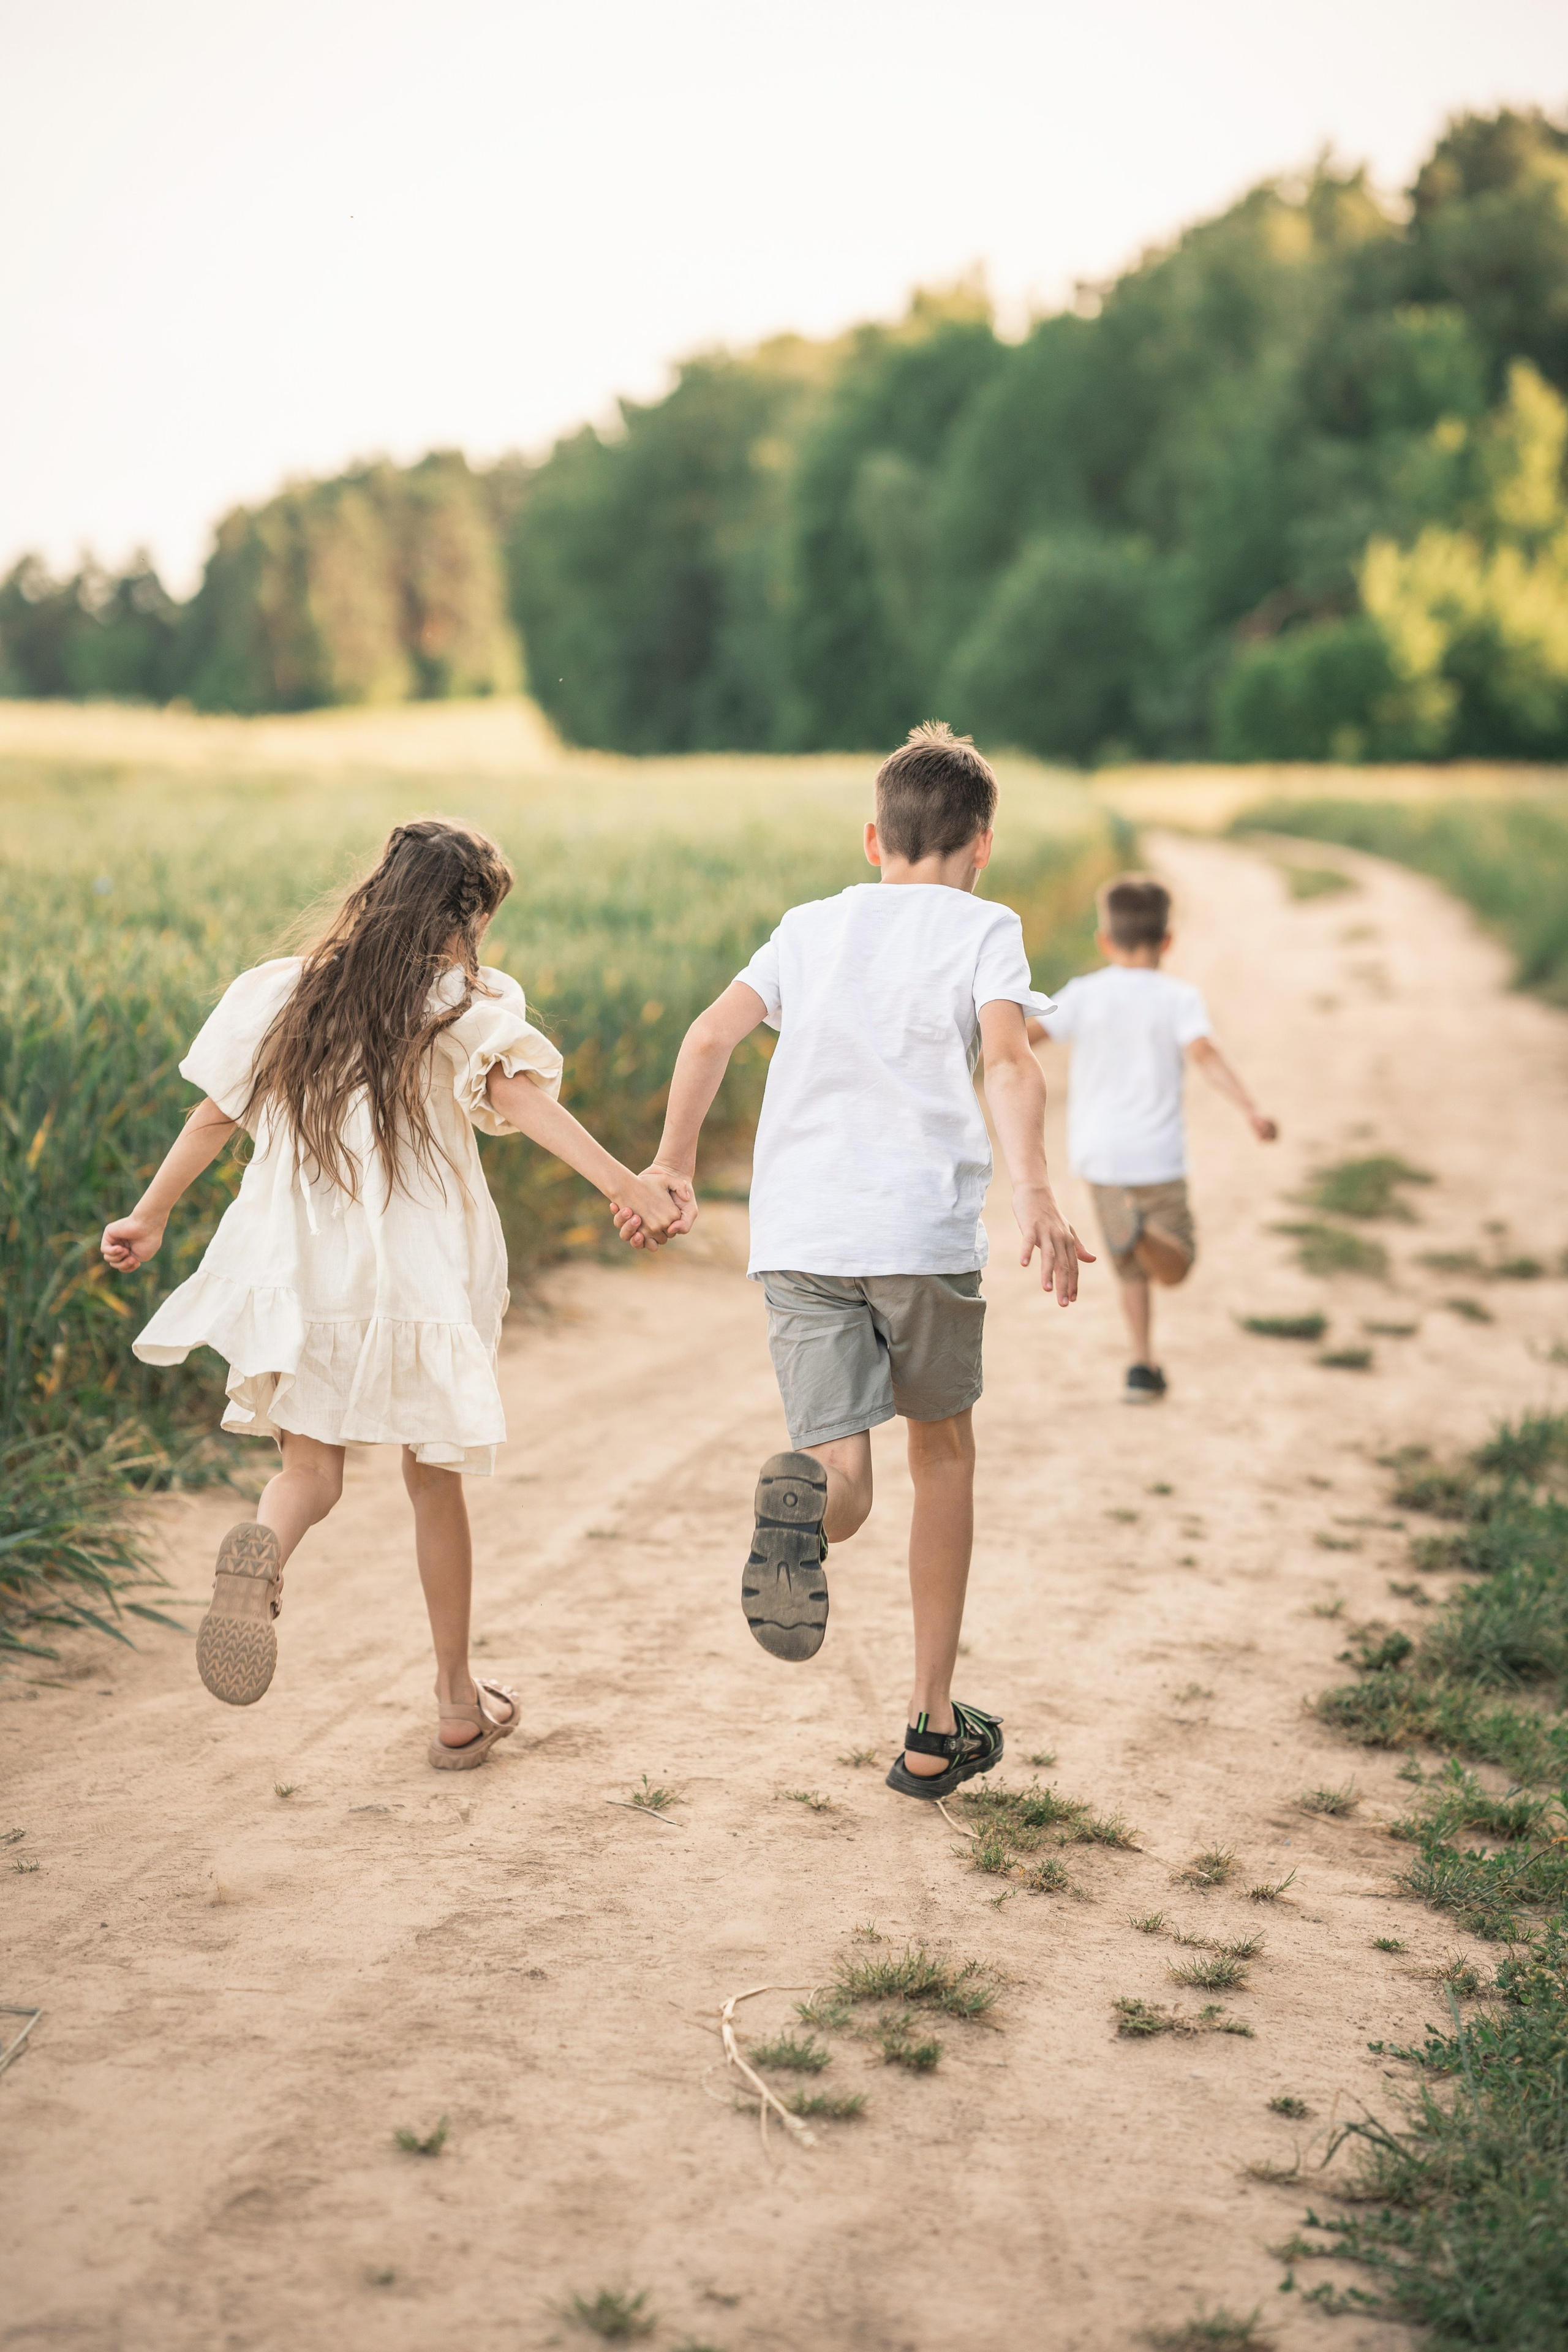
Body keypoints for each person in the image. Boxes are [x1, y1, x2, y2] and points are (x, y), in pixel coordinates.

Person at [101, 818, 688, 1766]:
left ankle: (264, 1552)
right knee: (433, 1480)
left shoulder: (284, 993)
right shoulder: (464, 1002)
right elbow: (526, 1102)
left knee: (309, 1474)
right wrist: (627, 1185)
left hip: (300, 1261)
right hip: (416, 1270)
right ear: (464, 916)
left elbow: (215, 1117)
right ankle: (458, 1704)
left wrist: (149, 1216)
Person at [615, 722, 1090, 1803]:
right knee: (943, 1460)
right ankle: (931, 1728)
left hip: (802, 1235)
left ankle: (800, 1507)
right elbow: (1010, 1062)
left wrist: (673, 1164)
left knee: (844, 1480)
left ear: (874, 838)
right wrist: (1037, 1195)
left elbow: (706, 1037)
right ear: (981, 847)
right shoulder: (986, 926)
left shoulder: (807, 926)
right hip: (918, 1237)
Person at [1027, 871, 1277, 1404]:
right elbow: (1207, 1056)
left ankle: (1142, 1364)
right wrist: (1251, 1108)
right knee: (1178, 1262)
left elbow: (1022, 1039)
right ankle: (1139, 1233)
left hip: (1100, 1157)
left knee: (1132, 1274)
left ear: (1105, 941)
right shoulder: (1177, 998)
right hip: (1156, 1157)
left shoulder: (1085, 994)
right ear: (1168, 941)